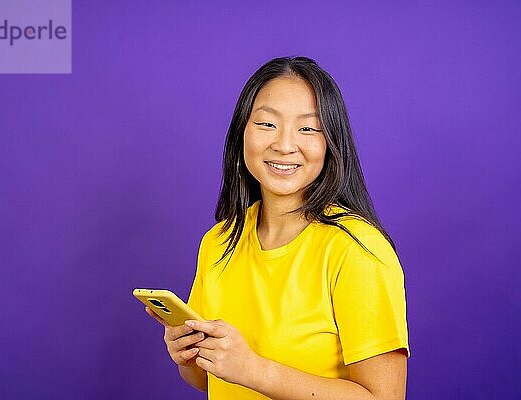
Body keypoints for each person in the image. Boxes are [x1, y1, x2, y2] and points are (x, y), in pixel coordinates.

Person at [145, 56, 410, 400]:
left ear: (331, 143)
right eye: (267, 124)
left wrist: (255, 369)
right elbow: (210, 380)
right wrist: (187, 355)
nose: (284, 145)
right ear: (242, 133)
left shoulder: (357, 249)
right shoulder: (219, 242)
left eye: (308, 128)